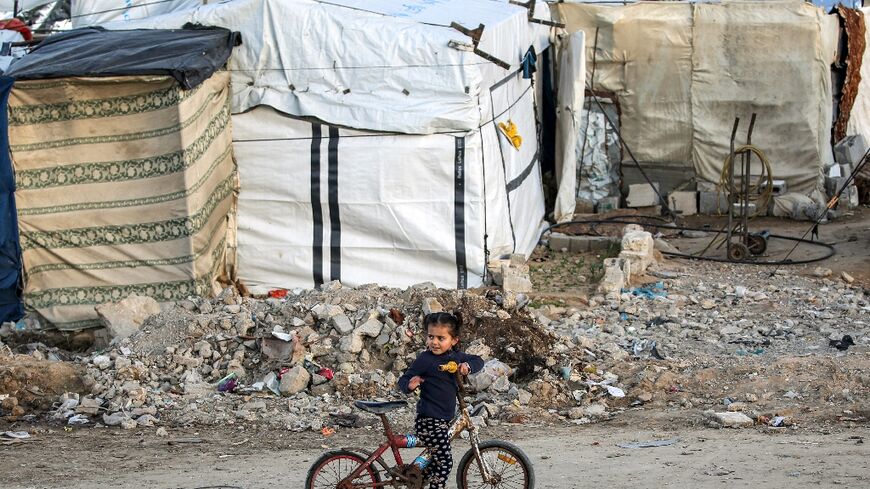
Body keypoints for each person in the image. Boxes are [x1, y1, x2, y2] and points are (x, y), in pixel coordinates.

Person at [397, 312, 484, 489]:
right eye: (431, 337)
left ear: (454, 340)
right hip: (429, 421)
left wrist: (468, 366)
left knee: (435, 461)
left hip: (442, 419)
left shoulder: (456, 357)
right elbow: (404, 380)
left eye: (440, 338)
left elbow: (478, 360)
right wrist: (410, 385)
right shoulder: (425, 359)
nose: (434, 342)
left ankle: (417, 480)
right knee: (444, 463)